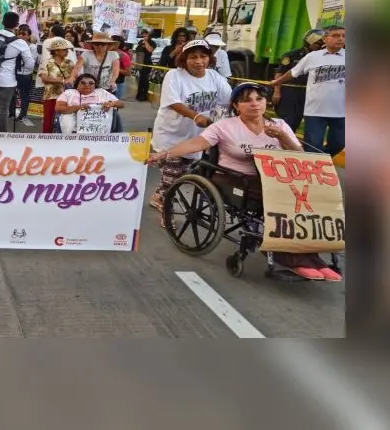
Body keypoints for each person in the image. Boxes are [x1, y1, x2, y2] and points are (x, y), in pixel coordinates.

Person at [146, 83, 341, 282]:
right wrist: (164, 153)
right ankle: (292, 259)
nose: (254, 104)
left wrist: (283, 138)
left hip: (275, 180)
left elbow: (300, 156)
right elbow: (195, 144)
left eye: (259, 99)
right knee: (282, 201)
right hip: (235, 179)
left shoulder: (279, 125)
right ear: (236, 106)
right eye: (247, 100)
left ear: (266, 102)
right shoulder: (224, 126)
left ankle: (312, 259)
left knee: (307, 199)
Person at [148, 39, 233, 212]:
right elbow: (173, 103)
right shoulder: (174, 75)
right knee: (172, 176)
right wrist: (196, 117)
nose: (199, 61)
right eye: (193, 57)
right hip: (171, 135)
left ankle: (158, 195)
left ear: (210, 58)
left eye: (203, 56)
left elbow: (229, 101)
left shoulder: (214, 77)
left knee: (181, 173)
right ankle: (166, 207)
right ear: (184, 59)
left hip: (197, 138)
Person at [269, 25, 345, 156]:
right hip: (315, 111)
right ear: (326, 39)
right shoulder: (312, 57)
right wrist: (277, 83)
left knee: (339, 142)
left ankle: (320, 159)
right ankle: (315, 166)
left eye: (343, 36)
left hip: (341, 112)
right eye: (336, 36)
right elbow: (292, 72)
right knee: (313, 145)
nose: (341, 39)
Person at [0, 11, 35, 132]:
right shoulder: (20, 42)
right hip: (7, 81)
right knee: (3, 109)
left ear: (2, 22)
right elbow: (30, 64)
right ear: (16, 25)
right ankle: (2, 136)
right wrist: (21, 73)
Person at [272, 29, 325, 133]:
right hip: (290, 91)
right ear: (308, 42)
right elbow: (280, 73)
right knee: (287, 120)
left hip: (308, 93)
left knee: (298, 120)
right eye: (317, 43)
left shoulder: (322, 57)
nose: (319, 46)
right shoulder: (292, 55)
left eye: (321, 43)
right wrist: (276, 91)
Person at [54, 73, 124, 133]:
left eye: (91, 83)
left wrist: (111, 103)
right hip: (73, 119)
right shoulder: (69, 92)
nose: (87, 85)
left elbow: (121, 104)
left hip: (99, 121)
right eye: (83, 83)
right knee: (67, 120)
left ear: (95, 85)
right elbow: (58, 108)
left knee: (114, 114)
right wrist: (78, 108)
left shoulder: (101, 92)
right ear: (77, 85)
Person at [38, 37, 76, 133]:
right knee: (49, 119)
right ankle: (47, 141)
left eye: (67, 49)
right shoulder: (46, 62)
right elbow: (44, 78)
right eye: (64, 49)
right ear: (56, 51)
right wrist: (62, 81)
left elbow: (74, 78)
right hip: (51, 96)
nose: (67, 51)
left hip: (67, 96)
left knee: (66, 120)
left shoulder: (70, 63)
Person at [8, 24, 35, 123]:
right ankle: (11, 113)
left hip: (25, 74)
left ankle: (22, 114)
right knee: (12, 93)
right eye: (19, 33)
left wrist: (23, 66)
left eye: (24, 34)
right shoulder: (15, 45)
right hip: (14, 72)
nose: (21, 35)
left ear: (29, 35)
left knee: (24, 94)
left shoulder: (32, 47)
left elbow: (32, 62)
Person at [136, 29, 155, 101]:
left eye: (146, 33)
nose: (144, 35)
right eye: (143, 33)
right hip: (139, 62)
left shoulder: (152, 42)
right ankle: (139, 94)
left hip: (147, 63)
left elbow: (150, 50)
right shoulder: (140, 42)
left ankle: (144, 95)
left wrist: (146, 42)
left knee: (145, 80)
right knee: (139, 79)